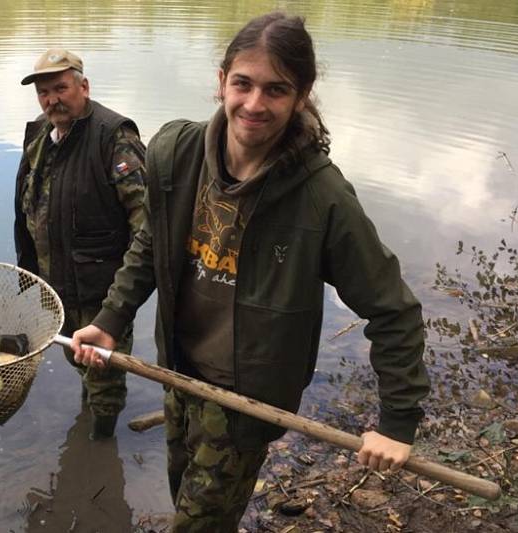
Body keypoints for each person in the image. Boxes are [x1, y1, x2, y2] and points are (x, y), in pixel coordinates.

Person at [70, 11, 431, 532]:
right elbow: (151, 244)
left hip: (246, 403)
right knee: (182, 495)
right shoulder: (175, 153)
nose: (255, 104)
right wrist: (109, 318)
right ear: (221, 83)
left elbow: (393, 311)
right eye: (243, 83)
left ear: (301, 95)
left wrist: (397, 424)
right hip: (176, 371)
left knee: (199, 524)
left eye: (276, 89)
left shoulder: (322, 199)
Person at [14, 48, 146, 440]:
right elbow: (29, 206)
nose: (52, 99)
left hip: (101, 291)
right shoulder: (40, 135)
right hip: (56, 286)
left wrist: (121, 304)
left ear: (83, 87)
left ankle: (101, 445)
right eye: (44, 92)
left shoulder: (114, 137)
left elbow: (147, 227)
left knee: (104, 378)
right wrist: (32, 276)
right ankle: (89, 415)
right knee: (77, 358)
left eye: (60, 88)